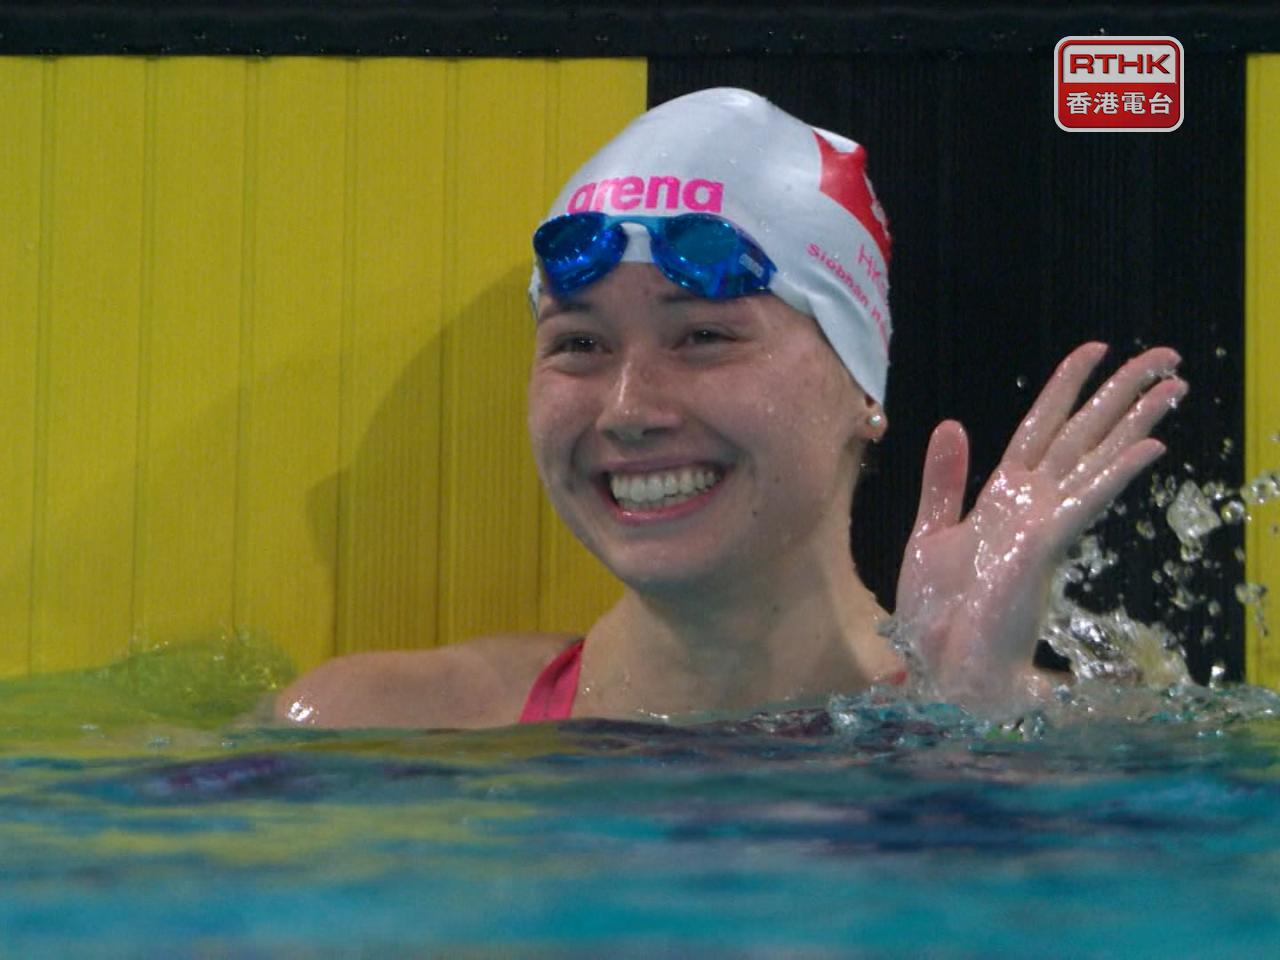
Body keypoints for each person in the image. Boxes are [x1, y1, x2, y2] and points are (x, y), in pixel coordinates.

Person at [274, 88, 1185, 729]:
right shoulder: (372, 728)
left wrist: (965, 728)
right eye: (579, 346)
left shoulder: (1057, 750)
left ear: (864, 385)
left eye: (703, 338)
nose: (628, 410)